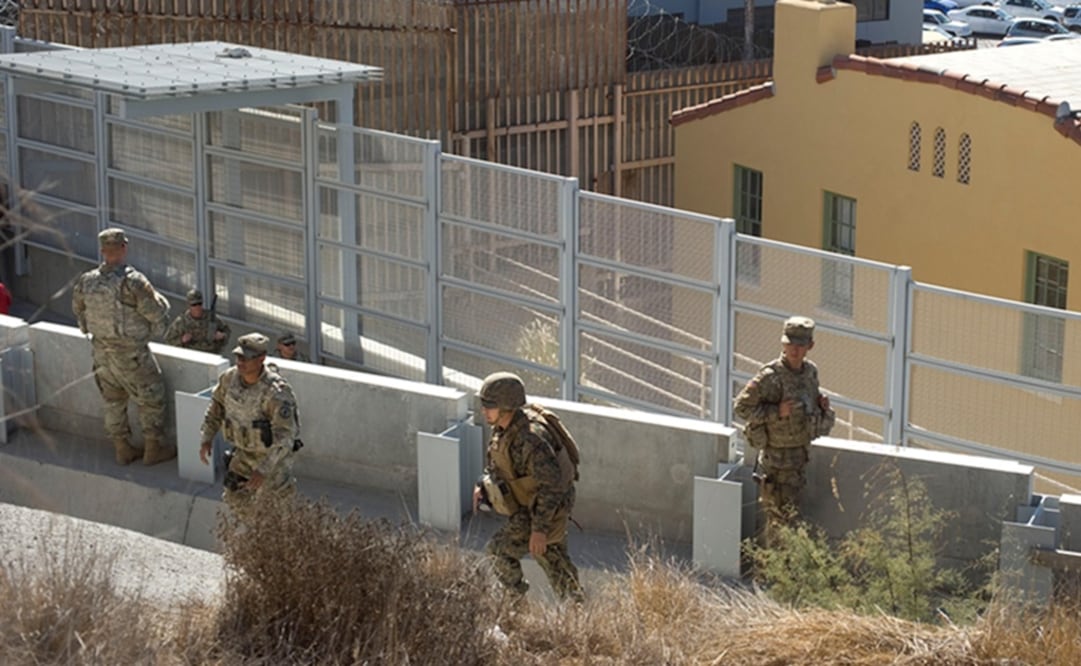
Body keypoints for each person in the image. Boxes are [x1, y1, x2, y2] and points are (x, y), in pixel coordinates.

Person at [471, 372, 583, 603]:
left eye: (489, 406)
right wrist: (482, 485)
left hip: (546, 509)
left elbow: (552, 487)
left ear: (506, 407)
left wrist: (539, 530)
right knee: (553, 561)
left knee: (501, 552)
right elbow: (498, 464)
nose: (484, 410)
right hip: (529, 507)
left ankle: (517, 606)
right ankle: (573, 610)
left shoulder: (531, 439)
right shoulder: (503, 428)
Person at [71, 228, 176, 466]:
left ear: (102, 251)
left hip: (101, 352)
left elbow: (79, 312)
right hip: (131, 354)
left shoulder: (87, 281)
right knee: (152, 396)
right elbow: (157, 313)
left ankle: (122, 448)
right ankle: (153, 448)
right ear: (124, 248)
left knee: (113, 400)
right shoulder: (133, 282)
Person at [734, 316, 835, 540]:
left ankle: (783, 571)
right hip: (775, 465)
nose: (794, 350)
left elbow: (809, 405)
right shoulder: (770, 376)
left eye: (800, 345)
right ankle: (770, 573)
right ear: (783, 343)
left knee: (791, 520)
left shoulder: (810, 373)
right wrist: (775, 412)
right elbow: (741, 408)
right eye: (790, 344)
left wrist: (821, 406)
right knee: (778, 524)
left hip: (799, 461)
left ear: (810, 346)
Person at [199, 332, 302, 522]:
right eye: (238, 357)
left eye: (246, 358)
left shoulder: (276, 392)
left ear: (261, 359)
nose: (240, 362)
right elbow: (216, 407)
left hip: (272, 460)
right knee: (235, 498)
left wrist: (264, 469)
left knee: (278, 513)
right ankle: (254, 536)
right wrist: (207, 437)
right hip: (244, 455)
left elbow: (285, 436)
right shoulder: (229, 379)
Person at [164, 288, 231, 354]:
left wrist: (222, 335)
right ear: (189, 305)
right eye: (194, 305)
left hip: (211, 355)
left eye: (199, 303)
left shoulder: (211, 318)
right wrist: (181, 340)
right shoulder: (182, 321)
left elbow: (227, 331)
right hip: (192, 356)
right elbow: (168, 340)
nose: (197, 307)